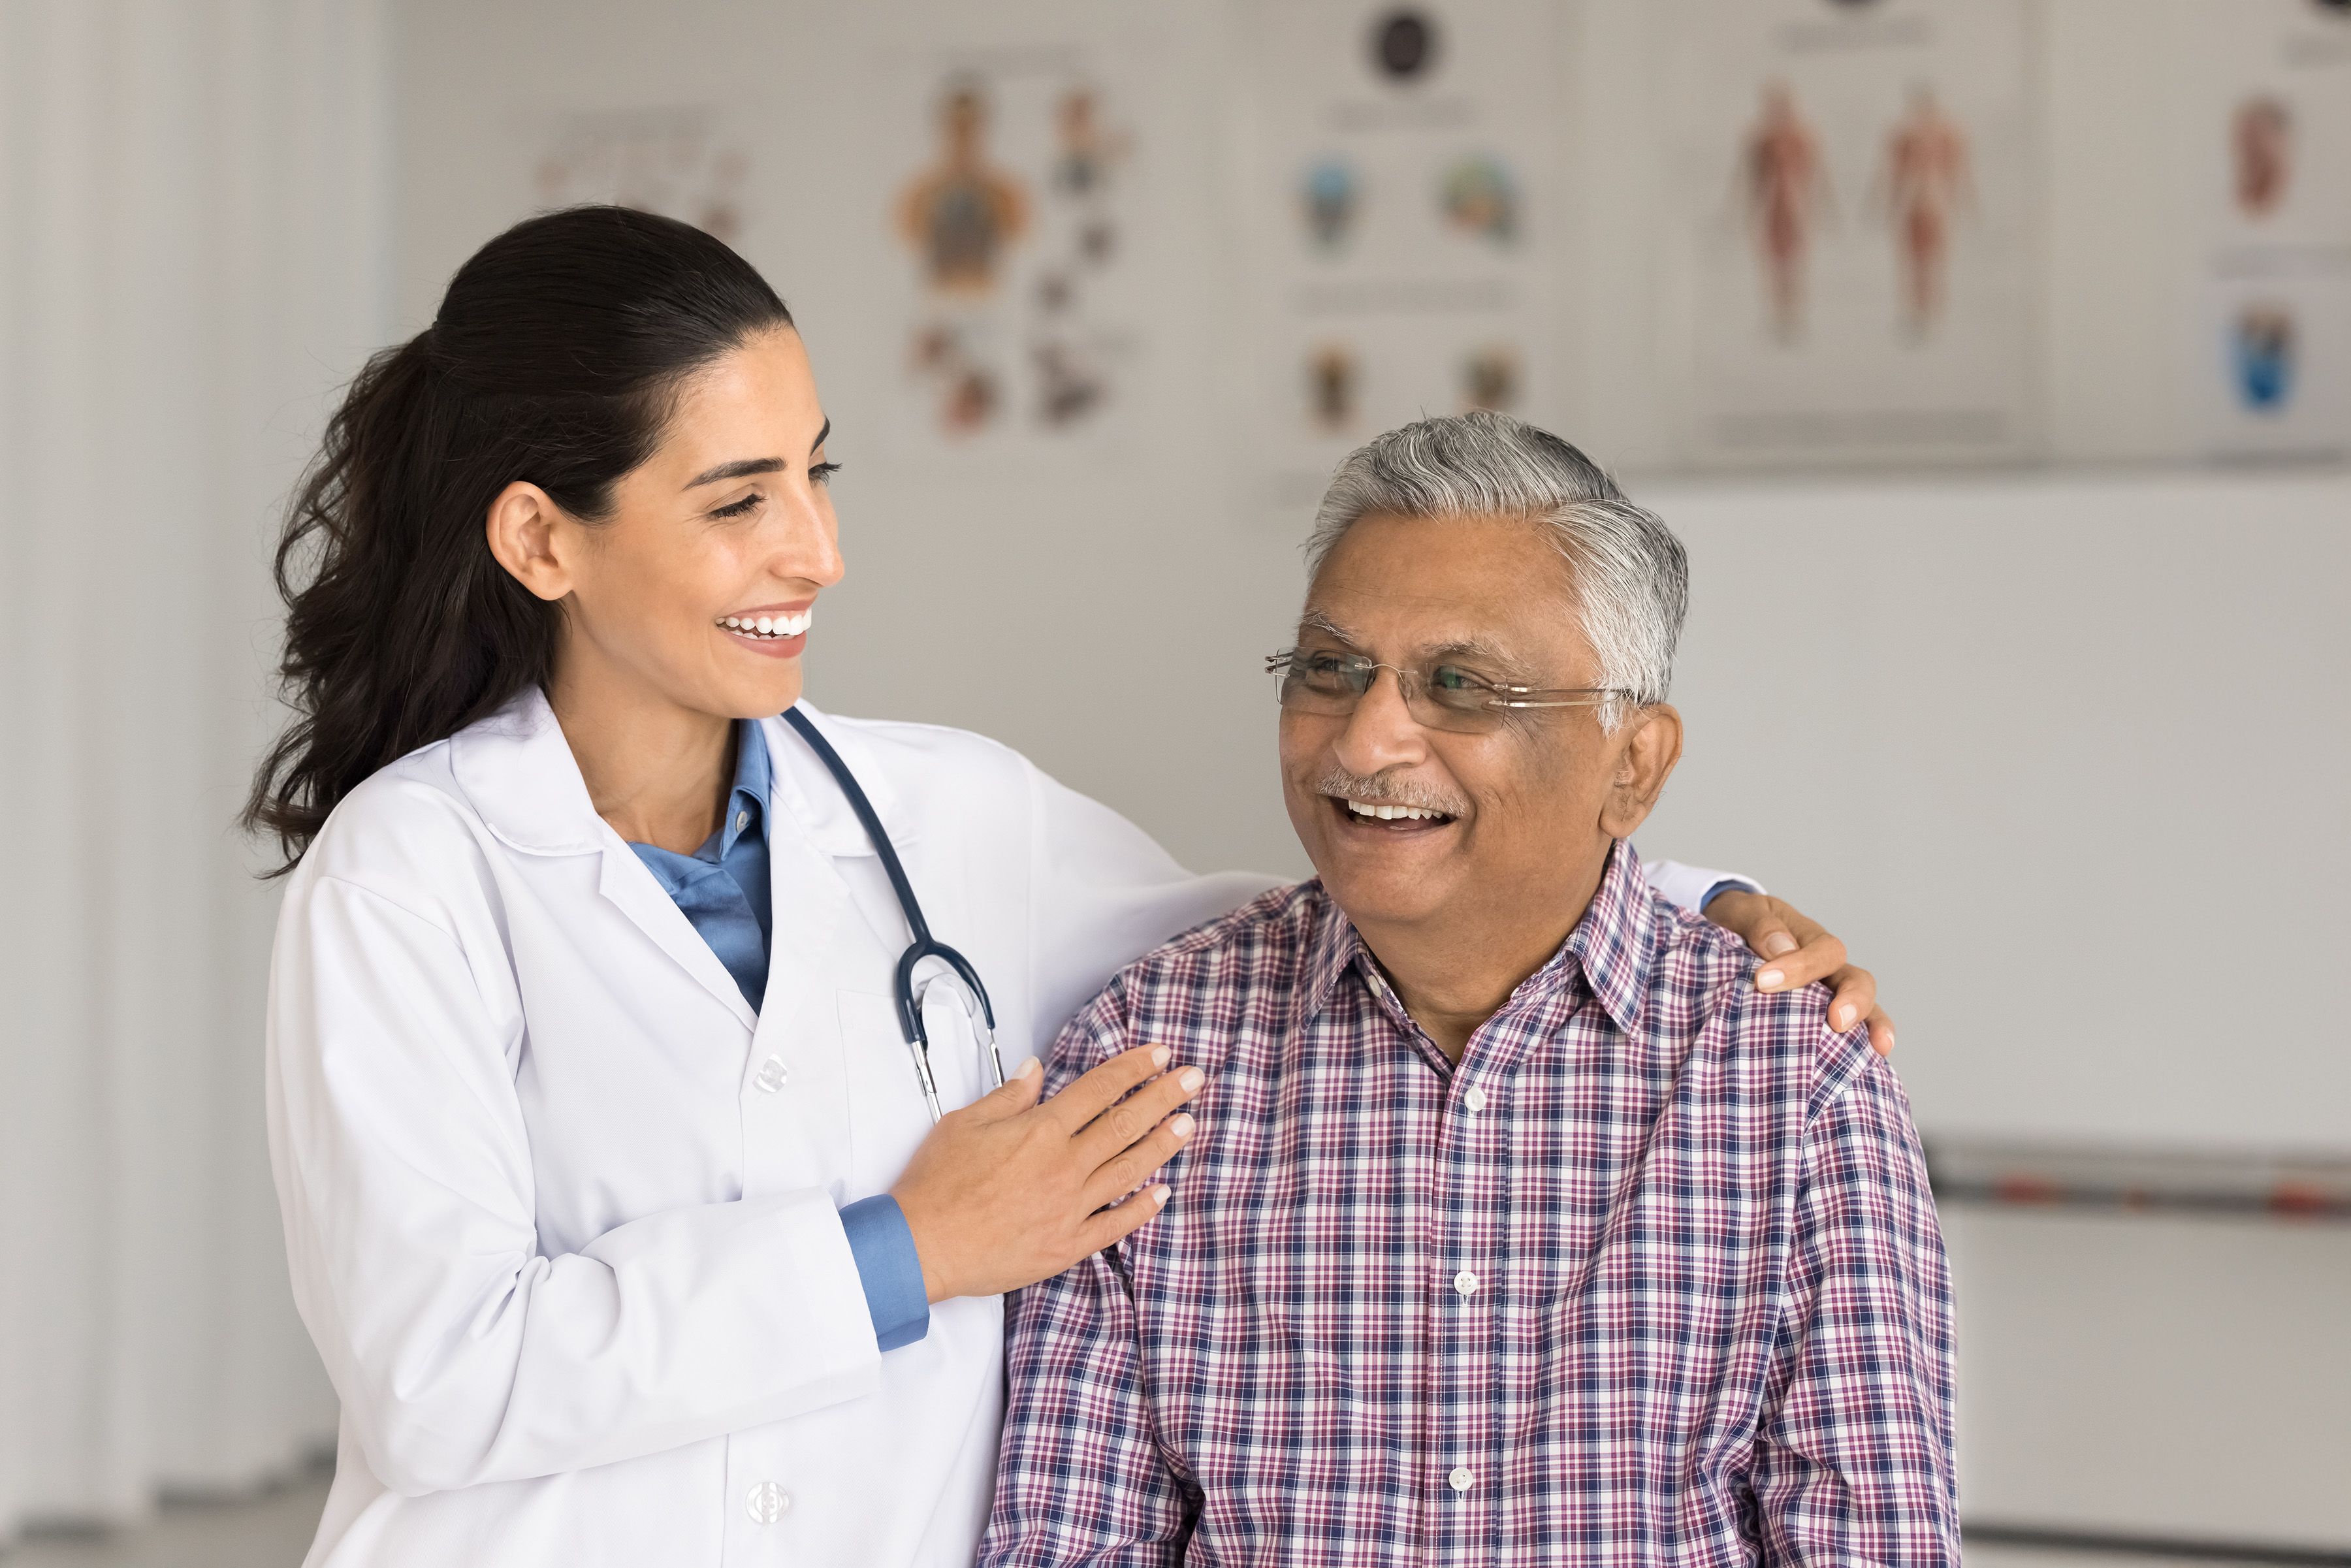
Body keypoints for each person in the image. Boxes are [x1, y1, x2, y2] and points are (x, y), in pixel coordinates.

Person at [253, 207, 1887, 1567]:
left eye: (820, 475)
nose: (816, 551)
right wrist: (913, 1245)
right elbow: (436, 1384)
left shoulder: (945, 815)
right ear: (543, 539)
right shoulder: (406, 878)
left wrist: (1689, 895)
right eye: (740, 499)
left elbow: (1349, 887)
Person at [984, 413, 1957, 1565]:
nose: (1368, 738)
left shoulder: (1792, 1080)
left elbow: (1872, 1540)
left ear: (1632, 766)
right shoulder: (1149, 1053)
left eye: (1460, 685)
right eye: (1332, 669)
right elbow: (1069, 1539)